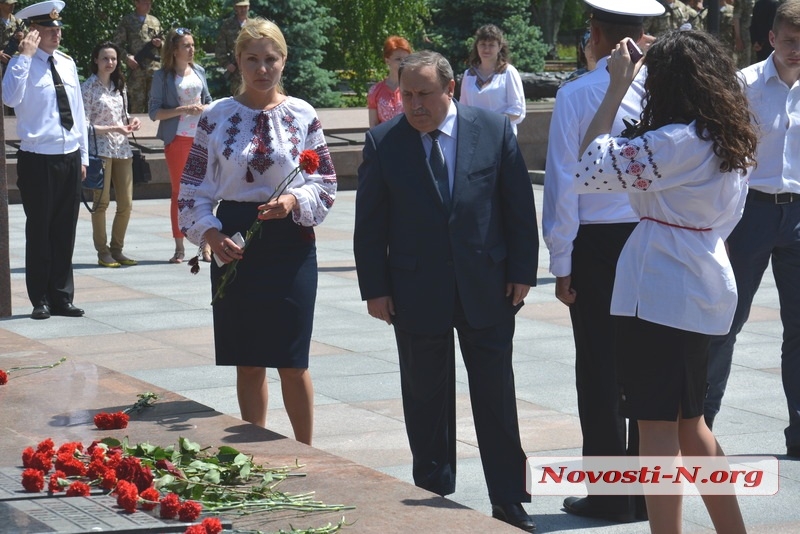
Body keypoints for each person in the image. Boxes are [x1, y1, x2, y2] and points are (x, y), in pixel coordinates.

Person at [575, 29, 756, 534]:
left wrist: (615, 87)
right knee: (689, 425)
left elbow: (589, 166)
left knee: (658, 429)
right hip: (697, 281)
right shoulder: (725, 134)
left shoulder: (678, 141)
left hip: (660, 290)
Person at [353, 50, 539, 532]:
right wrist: (375, 287)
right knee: (425, 399)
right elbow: (370, 225)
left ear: (449, 89)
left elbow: (518, 208)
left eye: (424, 94)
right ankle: (433, 495)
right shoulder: (383, 142)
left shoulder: (494, 131)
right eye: (406, 94)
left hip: (489, 287)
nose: (414, 104)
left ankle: (509, 498)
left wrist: (523, 271)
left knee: (496, 397)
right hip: (415, 290)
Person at [177, 18, 337, 446]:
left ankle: (309, 451)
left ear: (284, 61)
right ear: (238, 62)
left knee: (291, 359)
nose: (262, 68)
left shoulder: (304, 114)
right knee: (248, 361)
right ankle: (258, 450)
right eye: (253, 59)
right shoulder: (215, 116)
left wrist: (292, 201)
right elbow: (192, 187)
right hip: (234, 242)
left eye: (271, 59)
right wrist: (210, 235)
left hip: (291, 243)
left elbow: (326, 183)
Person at [541, 0, 663, 523]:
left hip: (598, 244)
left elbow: (564, 185)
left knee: (600, 369)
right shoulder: (669, 88)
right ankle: (645, 494)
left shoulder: (579, 94)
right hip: (656, 236)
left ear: (594, 34)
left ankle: (613, 496)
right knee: (649, 368)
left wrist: (561, 259)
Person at [705, 0, 800, 459]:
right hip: (751, 212)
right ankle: (701, 428)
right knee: (727, 320)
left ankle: (799, 435)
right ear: (771, 39)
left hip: (799, 213)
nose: (796, 51)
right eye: (789, 42)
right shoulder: (743, 85)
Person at [3, 0, 87, 320]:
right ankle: (40, 299)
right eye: (49, 30)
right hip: (37, 158)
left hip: (68, 155)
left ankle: (62, 296)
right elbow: (9, 98)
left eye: (58, 28)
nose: (57, 34)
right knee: (40, 230)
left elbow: (77, 111)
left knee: (64, 230)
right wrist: (23, 56)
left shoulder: (66, 63)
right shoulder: (20, 64)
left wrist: (84, 157)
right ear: (33, 32)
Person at [149, 27, 212, 264]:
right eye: (186, 45)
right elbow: (154, 112)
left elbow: (208, 102)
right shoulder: (162, 77)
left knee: (204, 191)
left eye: (193, 45)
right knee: (180, 193)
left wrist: (202, 108)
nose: (192, 49)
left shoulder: (199, 71)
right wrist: (184, 110)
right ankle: (179, 248)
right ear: (174, 50)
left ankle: (206, 245)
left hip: (202, 139)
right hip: (177, 139)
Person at [82, 42, 142, 269]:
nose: (110, 63)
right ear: (95, 60)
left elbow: (124, 115)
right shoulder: (88, 87)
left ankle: (117, 249)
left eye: (113, 59)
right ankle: (102, 251)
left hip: (123, 149)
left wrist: (131, 122)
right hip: (100, 150)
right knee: (101, 202)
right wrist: (112, 129)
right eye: (105, 58)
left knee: (126, 203)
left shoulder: (120, 85)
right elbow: (84, 125)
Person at [458, 24, 525, 136]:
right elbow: (463, 108)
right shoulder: (469, 75)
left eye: (491, 45)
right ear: (477, 46)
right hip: (475, 135)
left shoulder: (508, 72)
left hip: (500, 135)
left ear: (499, 47)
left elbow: (517, 110)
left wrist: (491, 122)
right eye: (482, 44)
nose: (486, 49)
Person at [114, 0, 162, 114]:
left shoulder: (154, 21)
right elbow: (116, 45)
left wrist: (160, 44)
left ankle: (154, 131)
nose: (149, 5)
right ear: (136, 3)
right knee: (136, 107)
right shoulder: (128, 21)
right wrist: (127, 58)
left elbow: (165, 44)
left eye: (150, 3)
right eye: (145, 2)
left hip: (154, 71)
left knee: (155, 105)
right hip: (137, 70)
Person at [367, 35, 411, 127]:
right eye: (398, 59)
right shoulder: (375, 91)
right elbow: (373, 125)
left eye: (406, 59)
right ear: (387, 61)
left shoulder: (414, 88)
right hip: (384, 140)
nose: (403, 63)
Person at [215, 0, 251, 96]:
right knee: (238, 101)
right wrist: (227, 64)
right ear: (235, 7)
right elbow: (220, 48)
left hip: (252, 68)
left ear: (249, 7)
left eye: (245, 6)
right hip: (236, 73)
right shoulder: (227, 25)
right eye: (240, 7)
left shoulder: (253, 25)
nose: (243, 9)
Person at [734, 0, 756, 67]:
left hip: (754, 34)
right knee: (744, 64)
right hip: (744, 36)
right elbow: (736, 18)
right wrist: (738, 38)